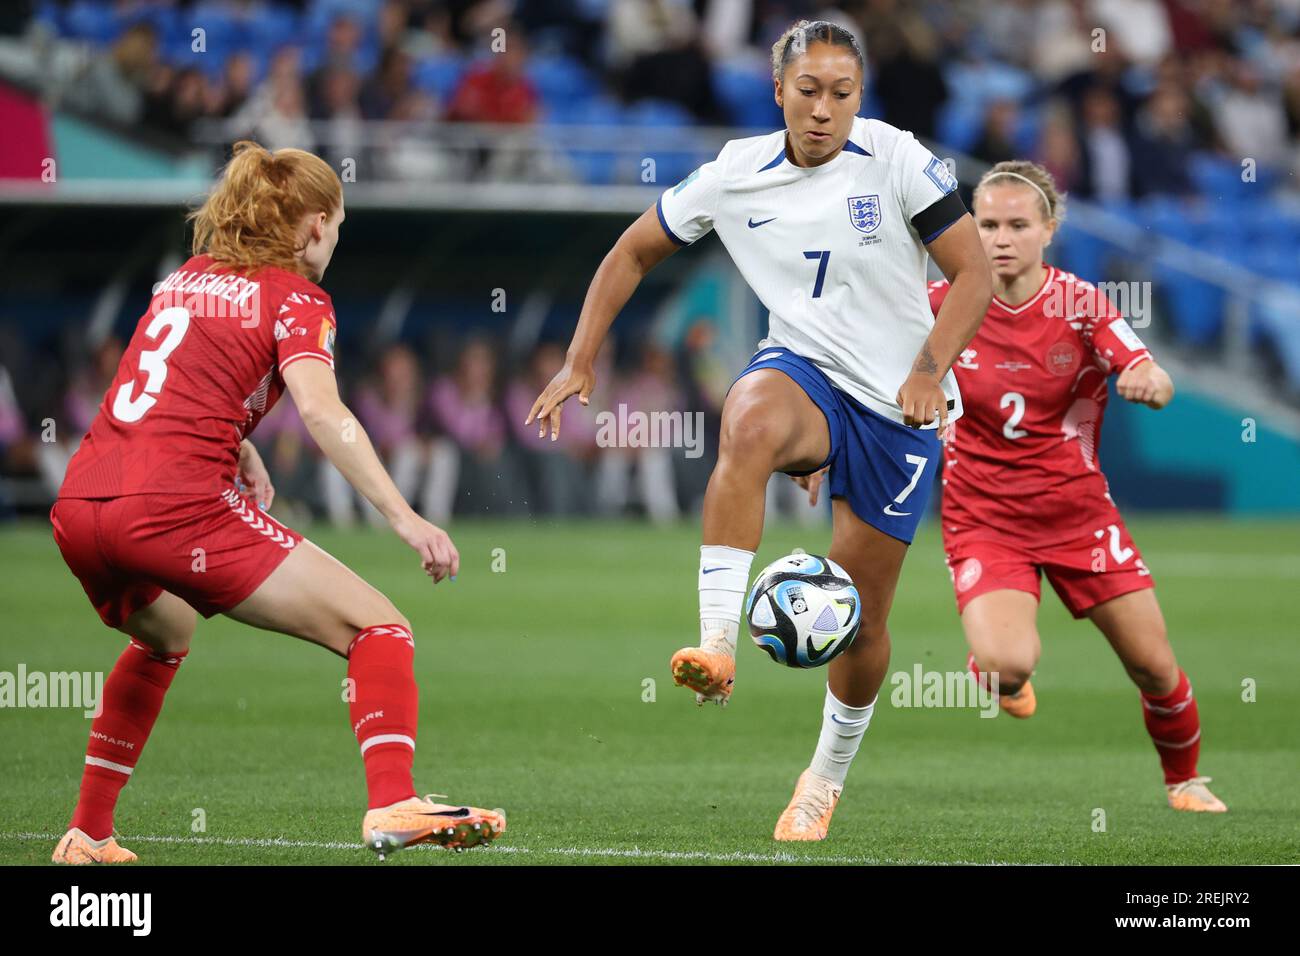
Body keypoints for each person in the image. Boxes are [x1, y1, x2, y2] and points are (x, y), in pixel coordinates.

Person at [527, 20, 992, 840]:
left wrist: (927, 369)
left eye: (841, 94)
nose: (823, 110)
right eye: (807, 91)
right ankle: (716, 645)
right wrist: (580, 359)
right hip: (804, 372)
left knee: (864, 622)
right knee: (745, 425)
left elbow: (974, 272)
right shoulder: (734, 173)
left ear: (861, 95)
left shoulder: (896, 158)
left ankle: (822, 779)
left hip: (898, 407)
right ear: (777, 91)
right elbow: (631, 253)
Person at [48, 141, 506, 864]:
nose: (335, 244)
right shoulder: (297, 297)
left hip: (81, 506)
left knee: (165, 634)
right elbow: (324, 414)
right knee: (379, 627)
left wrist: (241, 444)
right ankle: (392, 800)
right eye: (339, 227)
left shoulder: (183, 278)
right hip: (172, 509)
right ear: (313, 225)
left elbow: (169, 390)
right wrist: (404, 515)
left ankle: (87, 834)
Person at [929, 160, 1226, 813]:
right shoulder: (940, 305)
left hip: (1079, 516)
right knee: (1009, 665)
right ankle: (998, 671)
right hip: (983, 516)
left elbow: (1151, 369)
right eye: (986, 225)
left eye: (1017, 224)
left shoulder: (1080, 303)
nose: (1000, 238)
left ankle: (1185, 780)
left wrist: (1150, 382)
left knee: (1153, 666)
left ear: (1049, 229)